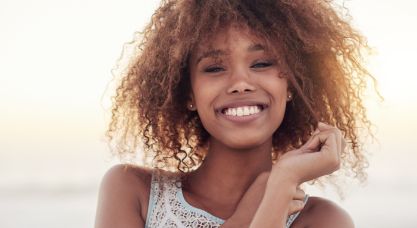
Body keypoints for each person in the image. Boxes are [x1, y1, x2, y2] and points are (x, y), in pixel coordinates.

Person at [95, 0, 374, 227]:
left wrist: (282, 181)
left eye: (262, 63)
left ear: (292, 84)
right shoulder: (133, 191)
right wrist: (261, 206)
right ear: (188, 92)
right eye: (215, 68)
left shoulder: (324, 222)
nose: (241, 83)